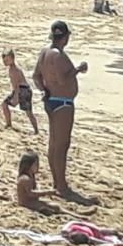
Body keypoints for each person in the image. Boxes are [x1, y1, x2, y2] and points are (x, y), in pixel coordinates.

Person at [32, 20, 94, 202]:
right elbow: (62, 79)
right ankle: (61, 185)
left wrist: (44, 90)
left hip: (52, 100)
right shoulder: (58, 56)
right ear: (65, 37)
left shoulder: (44, 53)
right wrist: (78, 69)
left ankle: (57, 182)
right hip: (63, 103)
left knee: (54, 144)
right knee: (62, 145)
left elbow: (36, 76)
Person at [1, 49, 39, 134]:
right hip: (19, 90)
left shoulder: (15, 70)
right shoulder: (11, 69)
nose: (5, 62)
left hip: (23, 91)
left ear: (12, 58)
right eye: (4, 61)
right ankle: (8, 124)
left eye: (7, 60)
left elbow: (17, 85)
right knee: (4, 104)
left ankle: (36, 130)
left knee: (28, 112)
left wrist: (16, 97)